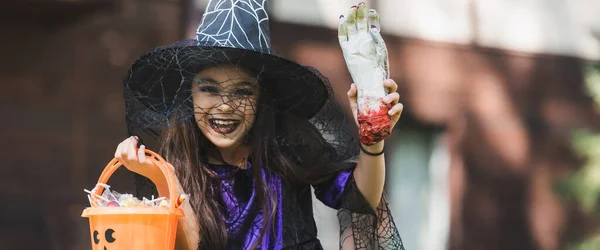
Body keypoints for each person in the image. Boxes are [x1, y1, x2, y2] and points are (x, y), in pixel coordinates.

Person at [115, 0, 405, 249]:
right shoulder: (180, 159)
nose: (225, 106)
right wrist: (162, 175)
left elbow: (361, 197)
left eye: (242, 91)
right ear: (189, 94)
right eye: (209, 89)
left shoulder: (289, 145)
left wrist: (372, 137)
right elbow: (185, 244)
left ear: (261, 97)